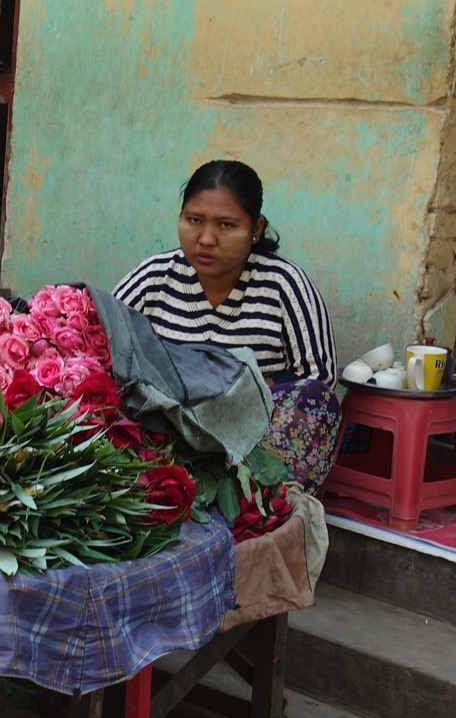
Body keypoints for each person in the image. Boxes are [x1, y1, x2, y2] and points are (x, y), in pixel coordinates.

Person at [113, 160, 341, 489]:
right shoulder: (154, 278)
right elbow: (102, 338)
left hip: (253, 446)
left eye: (226, 225)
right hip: (166, 434)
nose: (206, 238)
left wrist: (233, 393)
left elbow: (321, 378)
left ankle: (264, 501)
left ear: (256, 229)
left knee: (318, 404)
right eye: (194, 221)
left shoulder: (282, 285)